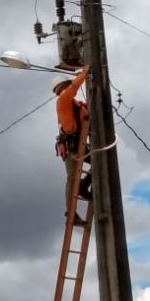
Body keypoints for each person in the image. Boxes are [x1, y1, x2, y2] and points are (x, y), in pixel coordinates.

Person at [53, 66, 91, 226]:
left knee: (100, 161)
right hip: (71, 147)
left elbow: (86, 107)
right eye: (66, 85)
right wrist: (85, 73)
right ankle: (71, 212)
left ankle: (83, 186)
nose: (69, 86)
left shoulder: (74, 104)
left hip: (78, 144)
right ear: (61, 87)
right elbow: (74, 87)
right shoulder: (63, 99)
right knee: (72, 178)